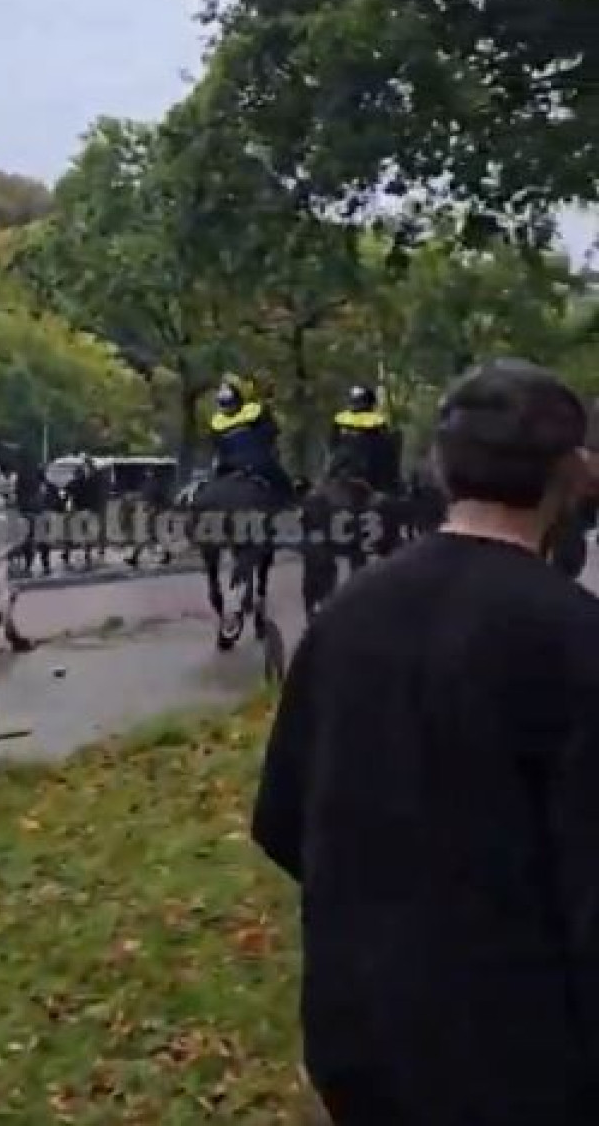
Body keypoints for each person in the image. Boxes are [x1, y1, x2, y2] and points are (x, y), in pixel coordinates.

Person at [253, 358, 599, 1126]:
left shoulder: (345, 615)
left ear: (441, 468)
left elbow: (279, 820)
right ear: (572, 475)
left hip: (359, 1040)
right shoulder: (576, 638)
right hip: (525, 1064)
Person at [209, 373, 294, 501]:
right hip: (259, 463)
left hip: (227, 466)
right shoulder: (256, 411)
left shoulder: (216, 423)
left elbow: (218, 448)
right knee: (285, 487)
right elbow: (271, 435)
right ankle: (293, 506)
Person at [327, 385, 401, 493]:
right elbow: (385, 440)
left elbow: (333, 441)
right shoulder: (377, 419)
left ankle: (328, 479)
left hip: (346, 459)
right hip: (370, 460)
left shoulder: (340, 417)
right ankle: (393, 483)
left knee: (333, 465)